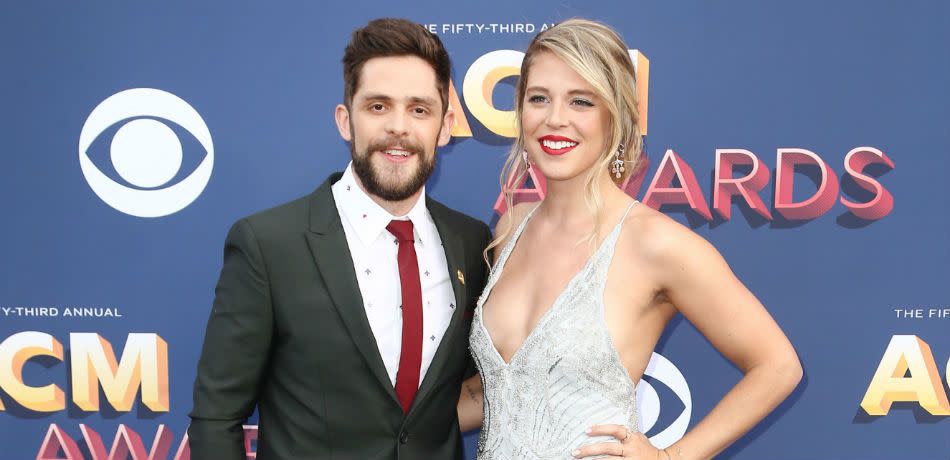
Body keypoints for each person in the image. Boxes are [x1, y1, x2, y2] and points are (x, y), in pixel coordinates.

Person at [457, 18, 802, 459]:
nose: (555, 118)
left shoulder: (655, 244)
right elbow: (495, 393)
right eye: (539, 98)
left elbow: (777, 366)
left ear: (615, 116)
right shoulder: (509, 229)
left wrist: (669, 457)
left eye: (581, 101)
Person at [188, 18, 491, 460]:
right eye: (378, 106)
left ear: (445, 127)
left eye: (419, 109)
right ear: (345, 120)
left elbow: (466, 389)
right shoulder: (268, 246)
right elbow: (216, 420)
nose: (399, 127)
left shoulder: (469, 240)